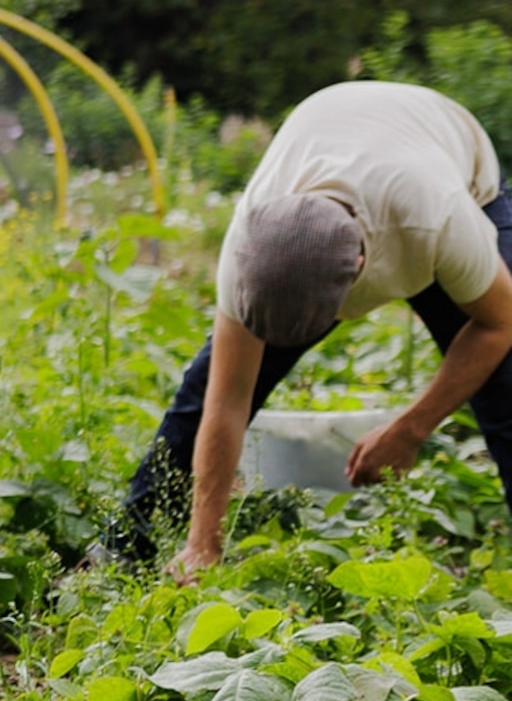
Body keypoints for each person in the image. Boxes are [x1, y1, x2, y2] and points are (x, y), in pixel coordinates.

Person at [111, 80, 512, 579]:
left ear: (360, 272)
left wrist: (409, 429)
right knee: (202, 388)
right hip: (339, 136)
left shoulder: (438, 221)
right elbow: (225, 401)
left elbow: (499, 324)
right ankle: (123, 555)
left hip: (448, 158)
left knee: (506, 386)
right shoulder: (250, 244)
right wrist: (203, 542)